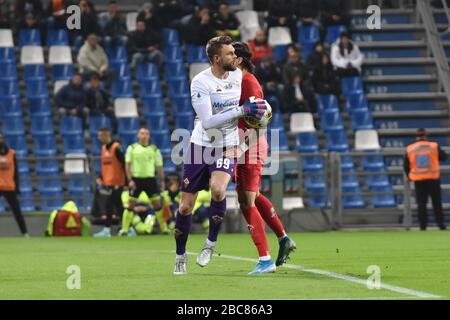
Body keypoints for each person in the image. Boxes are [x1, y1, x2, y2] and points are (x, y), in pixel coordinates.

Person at [173, 35, 268, 275]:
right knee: (185, 207)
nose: (235, 57)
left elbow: (255, 114)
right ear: (217, 58)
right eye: (229, 54)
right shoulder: (200, 82)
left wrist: (258, 113)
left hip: (226, 145)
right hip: (199, 145)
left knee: (218, 190)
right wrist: (240, 110)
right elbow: (206, 122)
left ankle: (210, 244)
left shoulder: (238, 76)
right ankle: (180, 256)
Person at [233, 41, 296, 274]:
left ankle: (265, 259)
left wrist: (240, 149)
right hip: (244, 144)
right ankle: (283, 238)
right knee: (252, 196)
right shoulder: (239, 81)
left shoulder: (249, 83)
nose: (227, 57)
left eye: (231, 54)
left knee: (246, 201)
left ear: (238, 59)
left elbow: (259, 124)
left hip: (250, 145)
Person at [404, 128, 447, 231]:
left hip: (419, 180)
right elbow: (444, 157)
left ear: (417, 136)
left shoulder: (410, 148)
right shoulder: (434, 146)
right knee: (436, 203)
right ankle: (440, 224)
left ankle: (423, 226)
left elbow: (406, 165)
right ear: (426, 136)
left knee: (421, 204)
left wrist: (409, 176)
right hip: (433, 178)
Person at [124, 127, 165, 234]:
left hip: (150, 180)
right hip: (136, 180)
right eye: (142, 133)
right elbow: (127, 165)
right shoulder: (132, 148)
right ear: (138, 135)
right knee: (131, 204)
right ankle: (124, 229)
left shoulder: (154, 149)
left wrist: (162, 181)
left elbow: (159, 167)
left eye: (146, 133)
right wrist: (129, 180)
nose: (144, 135)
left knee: (157, 205)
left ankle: (164, 229)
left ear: (149, 136)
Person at [93, 128, 126, 237]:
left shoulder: (117, 148)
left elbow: (124, 165)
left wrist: (126, 181)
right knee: (118, 206)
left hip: (117, 183)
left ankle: (107, 230)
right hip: (108, 183)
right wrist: (100, 177)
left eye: (100, 135)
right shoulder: (103, 148)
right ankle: (127, 228)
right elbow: (105, 165)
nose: (98, 138)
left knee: (109, 206)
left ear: (106, 135)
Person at [0, 133, 29, 237]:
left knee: (17, 211)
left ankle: (25, 233)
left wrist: (17, 187)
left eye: (1, 138)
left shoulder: (11, 153)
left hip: (9, 186)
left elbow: (16, 172)